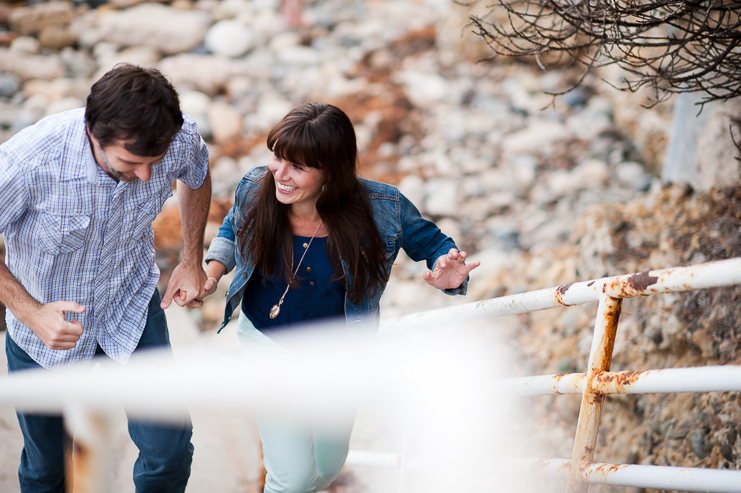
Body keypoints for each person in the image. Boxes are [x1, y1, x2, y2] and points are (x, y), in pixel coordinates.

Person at [201, 102, 480, 493]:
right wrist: (211, 272)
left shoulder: (383, 208)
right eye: (278, 158)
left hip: (338, 356)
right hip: (267, 342)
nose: (280, 174)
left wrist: (447, 272)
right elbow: (232, 229)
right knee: (292, 478)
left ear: (331, 170)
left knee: (327, 468)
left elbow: (434, 244)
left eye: (298, 167)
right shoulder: (255, 188)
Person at [0, 64, 211, 493]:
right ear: (94, 133)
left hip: (129, 309)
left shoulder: (178, 136)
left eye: (155, 163)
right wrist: (31, 312)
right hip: (43, 329)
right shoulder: (29, 161)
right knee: (45, 469)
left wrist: (192, 258)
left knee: (169, 451)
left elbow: (197, 174)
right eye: (132, 162)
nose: (148, 176)